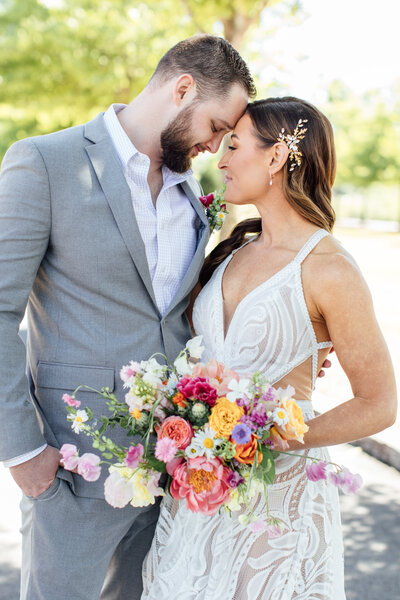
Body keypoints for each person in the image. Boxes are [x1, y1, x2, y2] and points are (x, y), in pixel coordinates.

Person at [0, 35, 254, 600]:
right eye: (215, 126)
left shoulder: (195, 193)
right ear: (182, 89)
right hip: (71, 469)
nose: (216, 147)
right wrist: (21, 451)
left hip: (175, 467)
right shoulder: (46, 162)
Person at [141, 97, 397, 599]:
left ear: (276, 158)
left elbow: (380, 403)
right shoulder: (230, 250)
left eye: (234, 146)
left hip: (277, 504)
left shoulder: (330, 269)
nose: (221, 160)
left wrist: (275, 439)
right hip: (198, 496)